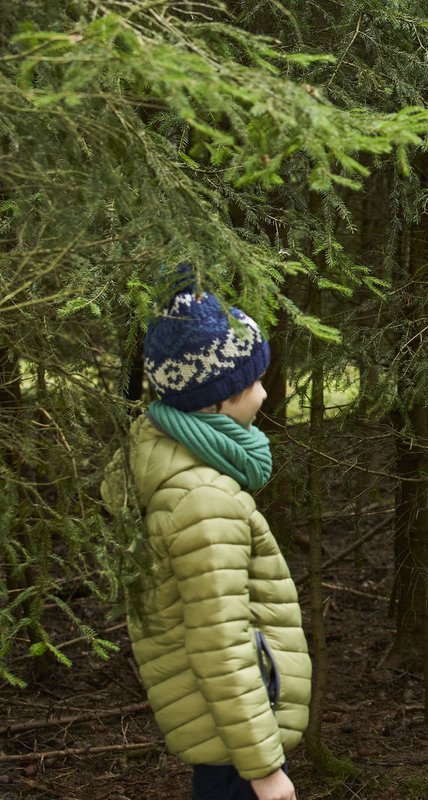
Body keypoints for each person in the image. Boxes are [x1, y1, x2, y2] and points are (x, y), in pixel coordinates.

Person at [103, 280, 311, 800]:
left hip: (229, 732)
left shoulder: (184, 466)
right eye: (256, 381)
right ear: (219, 397)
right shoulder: (202, 498)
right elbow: (219, 644)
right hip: (237, 741)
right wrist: (263, 768)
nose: (265, 393)